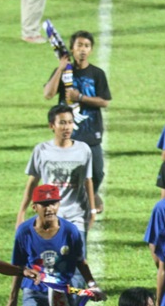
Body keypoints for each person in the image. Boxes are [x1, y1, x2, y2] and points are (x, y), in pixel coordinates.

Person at [42, 30, 112, 195]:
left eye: (87, 46)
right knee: (67, 177)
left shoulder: (97, 74)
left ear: (91, 50)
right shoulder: (63, 71)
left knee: (97, 173)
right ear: (72, 49)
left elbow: (104, 101)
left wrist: (79, 97)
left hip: (90, 134)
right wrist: (60, 68)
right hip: (68, 135)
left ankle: (89, 199)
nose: (83, 49)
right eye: (79, 45)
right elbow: (48, 94)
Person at [17, 105, 96, 234]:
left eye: (70, 122)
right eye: (62, 123)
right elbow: (33, 182)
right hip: (50, 215)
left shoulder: (83, 149)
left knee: (78, 254)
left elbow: (88, 181)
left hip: (77, 216)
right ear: (52, 126)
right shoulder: (41, 150)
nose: (67, 127)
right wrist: (21, 212)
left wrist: (92, 210)